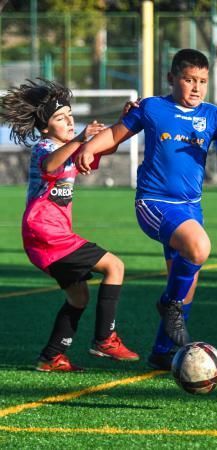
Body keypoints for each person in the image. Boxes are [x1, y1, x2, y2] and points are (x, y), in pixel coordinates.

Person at [76, 48, 217, 370]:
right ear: (171, 78)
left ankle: (162, 351)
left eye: (202, 81)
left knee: (186, 283)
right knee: (199, 248)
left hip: (191, 208)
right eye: (189, 79)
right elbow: (115, 133)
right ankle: (168, 304)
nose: (196, 87)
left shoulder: (213, 115)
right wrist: (89, 146)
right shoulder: (152, 107)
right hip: (154, 202)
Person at [0, 78, 139, 371]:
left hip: (47, 237)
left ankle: (51, 357)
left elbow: (106, 148)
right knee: (115, 266)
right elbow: (50, 166)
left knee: (78, 297)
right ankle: (105, 338)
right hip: (46, 233)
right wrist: (79, 140)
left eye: (70, 116)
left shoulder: (69, 147)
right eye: (60, 118)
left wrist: (124, 122)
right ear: (45, 126)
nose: (69, 121)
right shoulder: (45, 146)